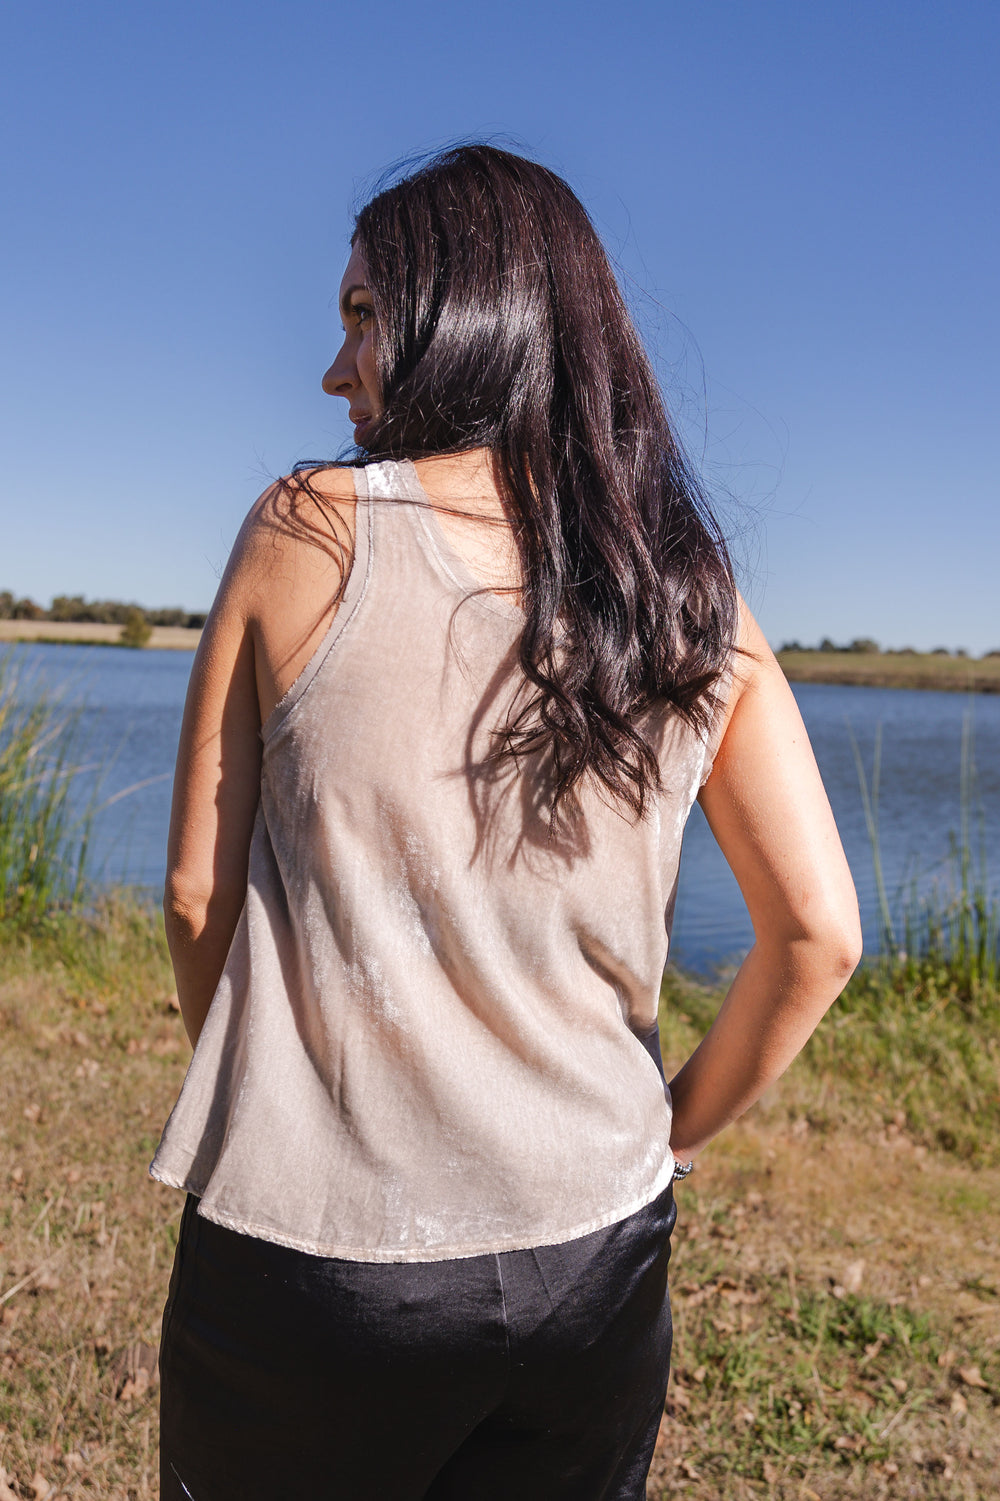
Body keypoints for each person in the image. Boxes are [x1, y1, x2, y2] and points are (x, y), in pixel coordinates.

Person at [152, 145, 861, 1499]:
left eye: (363, 315)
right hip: (597, 1252)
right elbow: (820, 935)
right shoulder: (687, 596)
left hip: (316, 1259)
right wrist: (672, 1138)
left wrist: (279, 1095)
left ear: (459, 316)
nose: (333, 367)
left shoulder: (304, 528)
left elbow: (196, 895)